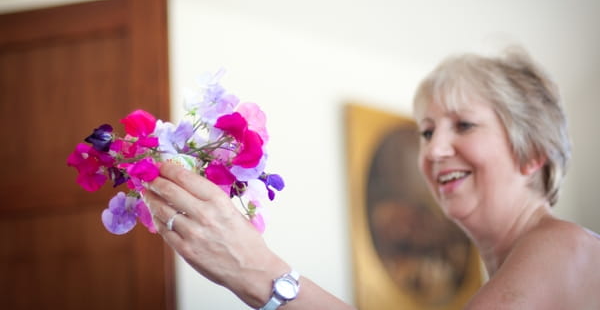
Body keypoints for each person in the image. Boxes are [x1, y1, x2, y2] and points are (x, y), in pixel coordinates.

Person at [142, 47, 600, 309]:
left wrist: (261, 272)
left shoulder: (565, 247)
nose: (434, 149)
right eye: (426, 130)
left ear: (532, 153)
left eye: (463, 125)